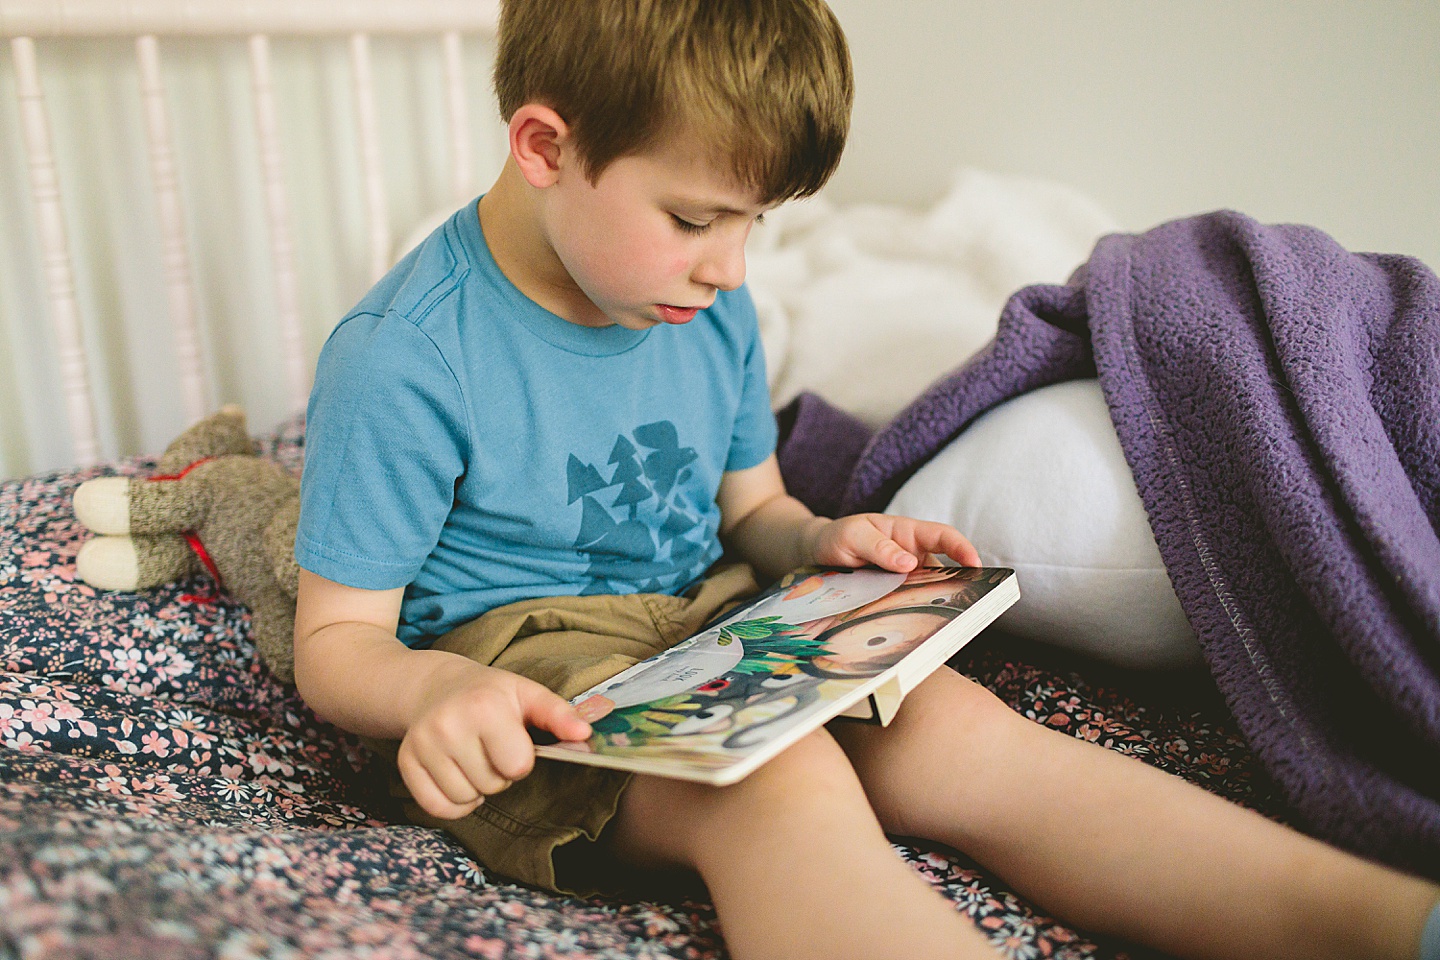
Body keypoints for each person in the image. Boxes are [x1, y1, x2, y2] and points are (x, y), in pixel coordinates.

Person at [289, 1, 1440, 958]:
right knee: (781, 794)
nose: (730, 267)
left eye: (755, 226)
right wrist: (438, 703)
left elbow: (752, 511)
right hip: (528, 671)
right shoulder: (406, 358)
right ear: (544, 147)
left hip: (708, 624)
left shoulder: (709, 302)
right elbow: (338, 645)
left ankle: (1385, 922)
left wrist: (820, 541)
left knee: (962, 738)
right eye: (694, 218)